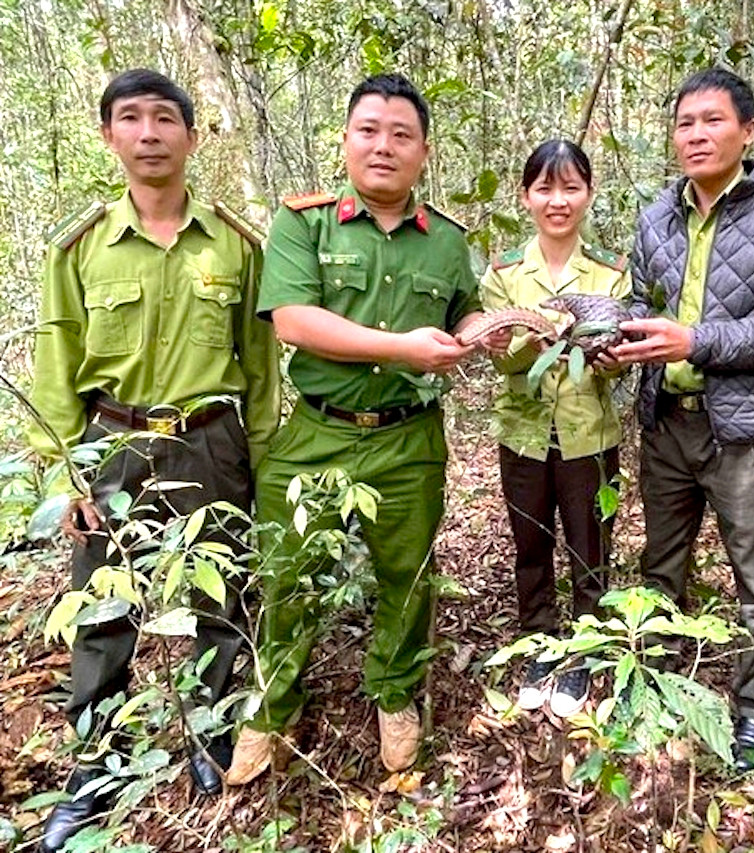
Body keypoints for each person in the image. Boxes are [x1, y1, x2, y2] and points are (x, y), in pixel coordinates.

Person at [28, 69, 280, 852]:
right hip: (112, 443)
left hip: (211, 438)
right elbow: (55, 361)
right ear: (108, 135)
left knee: (223, 596)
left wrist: (264, 466)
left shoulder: (237, 243)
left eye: (164, 119)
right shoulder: (77, 249)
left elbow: (262, 364)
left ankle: (210, 734)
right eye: (130, 119)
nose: (148, 134)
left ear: (191, 136)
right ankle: (97, 766)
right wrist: (63, 472)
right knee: (103, 606)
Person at [227, 73, 486, 783]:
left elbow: (464, 311)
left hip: (409, 439)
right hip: (318, 431)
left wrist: (478, 331)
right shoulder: (302, 223)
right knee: (288, 578)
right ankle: (276, 709)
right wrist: (405, 347)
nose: (383, 146)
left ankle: (395, 698)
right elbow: (293, 321)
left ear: (424, 152)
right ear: (344, 140)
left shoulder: (448, 241)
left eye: (401, 135)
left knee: (407, 579)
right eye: (369, 130)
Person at [609, 67, 754, 770]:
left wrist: (695, 341)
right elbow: (642, 308)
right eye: (684, 124)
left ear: (748, 131)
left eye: (712, 121)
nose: (696, 135)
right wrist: (617, 340)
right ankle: (658, 686)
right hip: (666, 421)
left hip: (745, 431)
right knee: (659, 564)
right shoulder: (655, 216)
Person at [480, 140, 630, 717]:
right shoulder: (504, 276)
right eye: (545, 188)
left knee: (590, 547)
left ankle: (587, 650)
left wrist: (610, 355)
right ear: (526, 197)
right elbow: (500, 357)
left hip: (589, 435)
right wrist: (528, 339)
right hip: (523, 434)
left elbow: (612, 346)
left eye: (570, 188)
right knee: (531, 546)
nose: (558, 200)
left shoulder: (611, 276)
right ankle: (540, 645)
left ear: (588, 195)